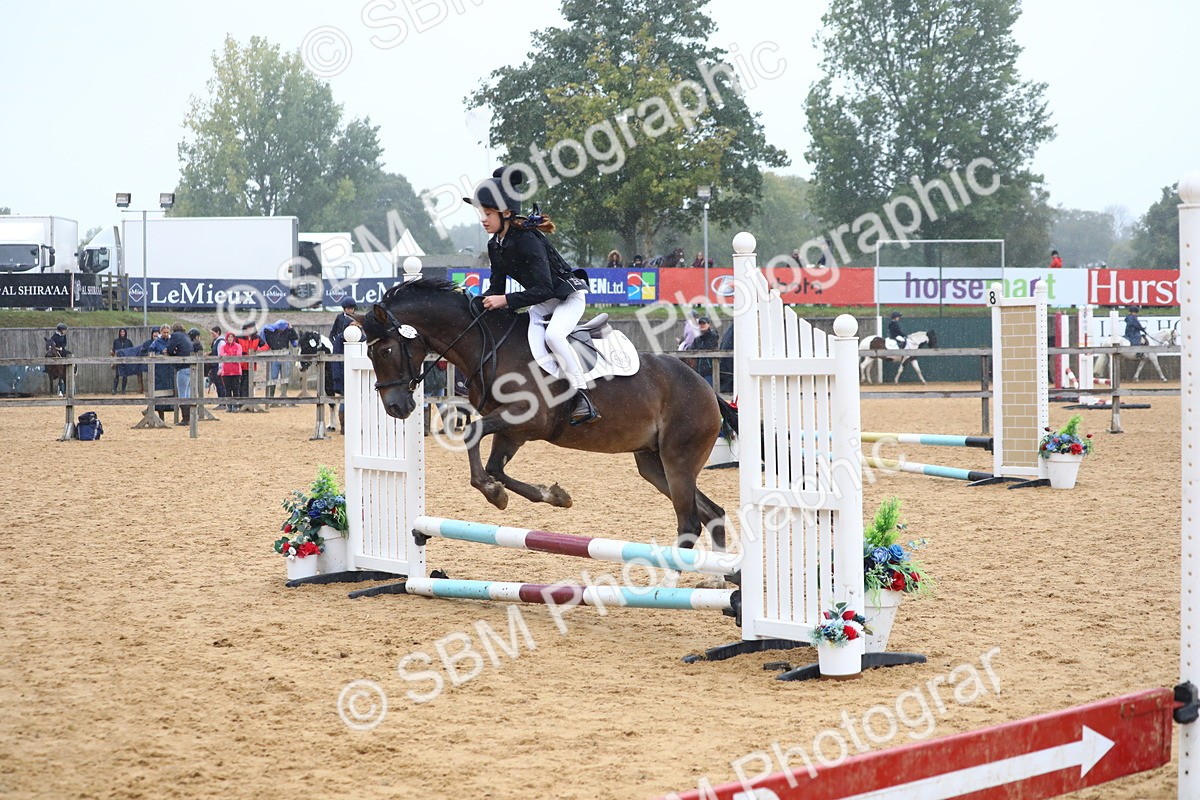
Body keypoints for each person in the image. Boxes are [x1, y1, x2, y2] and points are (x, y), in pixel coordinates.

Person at [465, 165, 599, 425]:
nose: (483, 219)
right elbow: (496, 289)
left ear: (505, 213)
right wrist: (474, 302)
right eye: (481, 213)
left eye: (488, 213)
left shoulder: (528, 240)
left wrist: (505, 300)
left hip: (566, 298)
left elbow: (545, 288)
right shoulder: (495, 245)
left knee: (553, 336)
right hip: (540, 304)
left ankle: (583, 396)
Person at [166, 323, 195, 425]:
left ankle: (185, 418)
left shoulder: (175, 335)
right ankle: (190, 416)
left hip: (182, 366)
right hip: (190, 366)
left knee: (182, 393)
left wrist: (173, 354)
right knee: (188, 393)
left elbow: (170, 349)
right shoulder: (186, 336)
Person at [260, 319, 299, 397]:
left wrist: (291, 328)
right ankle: (271, 396)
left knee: (285, 376)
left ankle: (283, 395)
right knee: (273, 377)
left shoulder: (287, 331)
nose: (282, 330)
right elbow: (263, 338)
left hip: (285, 356)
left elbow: (295, 337)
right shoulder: (271, 332)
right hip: (275, 356)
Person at [235, 322, 268, 400]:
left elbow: (265, 346)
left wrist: (257, 352)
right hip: (239, 365)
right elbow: (234, 347)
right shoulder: (239, 337)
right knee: (239, 384)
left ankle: (246, 401)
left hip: (251, 365)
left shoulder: (257, 337)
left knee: (247, 384)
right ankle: (240, 401)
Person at [685, 316, 720, 386]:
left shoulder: (713, 336)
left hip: (709, 370)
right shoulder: (697, 338)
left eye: (704, 323)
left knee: (709, 388)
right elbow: (691, 349)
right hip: (698, 370)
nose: (702, 325)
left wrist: (696, 350)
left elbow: (708, 348)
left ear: (708, 325)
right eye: (700, 324)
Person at [217, 332, 244, 410]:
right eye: (229, 337)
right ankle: (229, 405)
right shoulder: (223, 347)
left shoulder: (238, 346)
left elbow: (238, 356)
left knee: (236, 389)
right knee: (227, 389)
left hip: (236, 371)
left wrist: (228, 356)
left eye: (232, 337)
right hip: (226, 371)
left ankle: (235, 405)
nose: (230, 338)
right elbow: (222, 356)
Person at [111, 328, 133, 393]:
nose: (122, 333)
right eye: (121, 332)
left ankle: (123, 390)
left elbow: (131, 350)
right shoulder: (116, 341)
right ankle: (114, 390)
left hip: (126, 361)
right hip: (118, 360)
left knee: (125, 376)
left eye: (123, 332)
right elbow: (113, 350)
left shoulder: (128, 342)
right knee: (116, 375)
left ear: (125, 333)